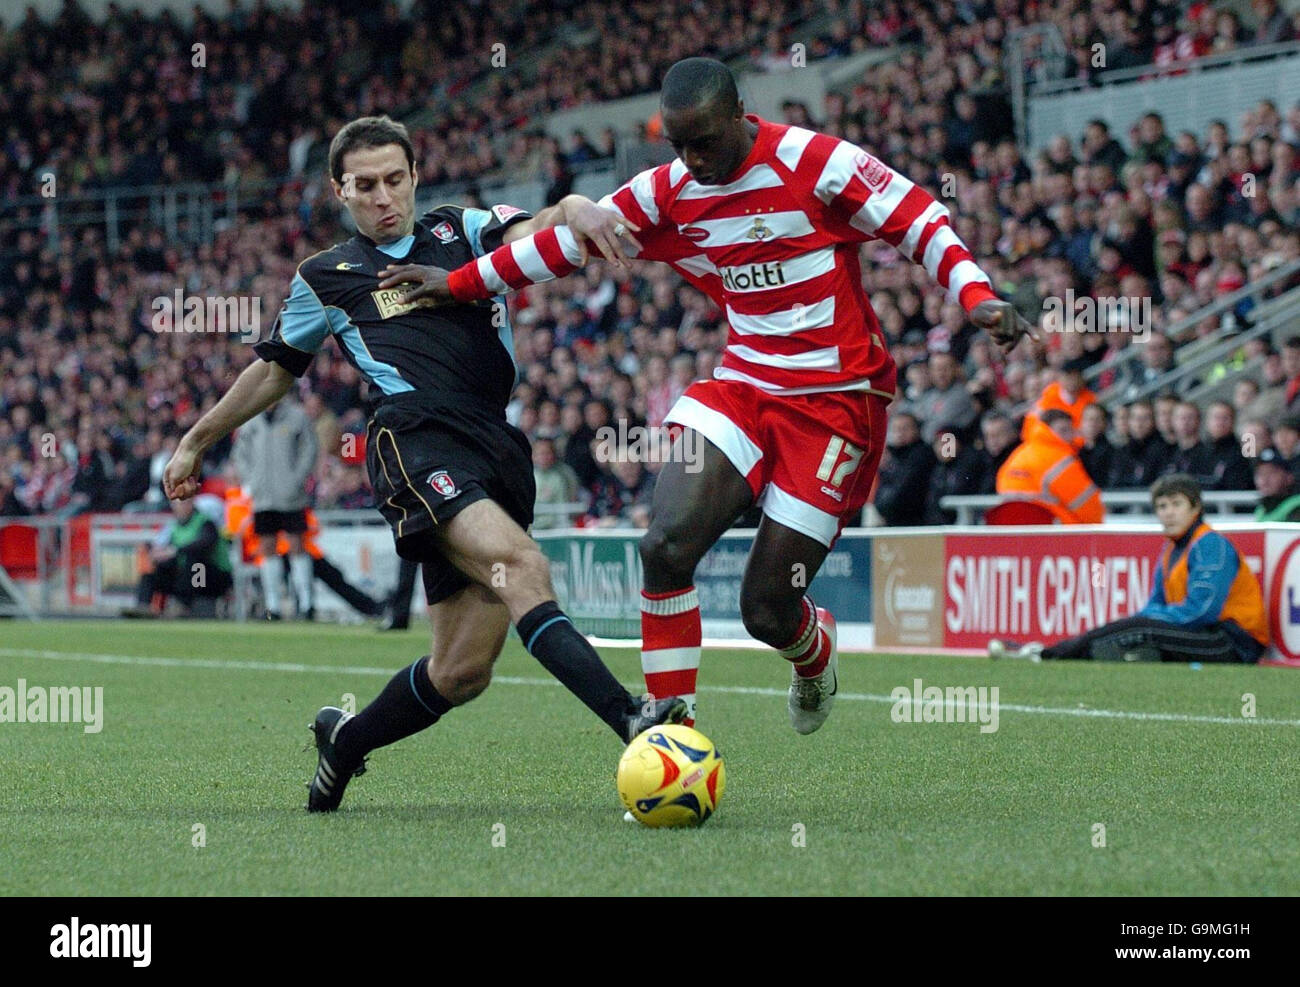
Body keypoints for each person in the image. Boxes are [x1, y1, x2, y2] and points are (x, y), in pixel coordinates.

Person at [386, 57, 1033, 734]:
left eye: (705, 142)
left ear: (738, 116)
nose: (692, 159)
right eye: (677, 145)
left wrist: (976, 294)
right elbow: (565, 243)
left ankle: (812, 650)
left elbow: (917, 217)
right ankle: (672, 734)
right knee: (664, 546)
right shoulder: (670, 188)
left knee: (767, 610)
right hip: (744, 388)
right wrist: (461, 283)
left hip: (837, 402)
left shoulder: (813, 160)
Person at [163, 115, 686, 813]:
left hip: (497, 447)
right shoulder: (326, 276)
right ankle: (633, 720)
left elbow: (537, 231)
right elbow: (273, 371)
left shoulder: (458, 230)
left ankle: (344, 743)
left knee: (462, 670)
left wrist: (578, 207)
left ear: (414, 177)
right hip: (412, 441)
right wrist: (196, 439)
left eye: (394, 180)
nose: (383, 197)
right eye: (366, 185)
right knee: (522, 565)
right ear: (339, 192)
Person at [990, 474, 1268, 662]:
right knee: (1133, 629)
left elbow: (1202, 610)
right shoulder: (1172, 549)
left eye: (1176, 504)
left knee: (1141, 631)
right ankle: (1052, 652)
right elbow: (1156, 604)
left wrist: (1148, 617)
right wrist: (1146, 616)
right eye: (1162, 506)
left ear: (1195, 508)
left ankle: (1049, 654)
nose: (1168, 513)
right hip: (1203, 634)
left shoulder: (1210, 545)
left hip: (1234, 641)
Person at [232, 400, 318, 620]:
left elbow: (309, 448)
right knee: (267, 547)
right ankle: (273, 606)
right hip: (263, 497)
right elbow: (240, 453)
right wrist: (251, 480)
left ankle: (307, 603)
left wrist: (297, 478)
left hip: (290, 495)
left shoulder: (296, 417)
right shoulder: (251, 421)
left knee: (297, 545)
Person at [126, 495, 233, 617]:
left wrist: (174, 551)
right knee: (154, 570)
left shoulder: (206, 522)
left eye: (183, 503)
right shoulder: (173, 525)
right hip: (185, 578)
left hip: (212, 578)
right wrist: (152, 549)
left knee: (194, 562)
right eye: (176, 504)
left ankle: (183, 606)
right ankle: (143, 606)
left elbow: (203, 544)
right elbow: (161, 545)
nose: (179, 507)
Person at [996, 409, 1104, 523]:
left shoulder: (1019, 454)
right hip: (1053, 531)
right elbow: (1089, 507)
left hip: (1012, 530)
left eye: (1070, 430)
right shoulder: (1060, 460)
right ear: (1046, 429)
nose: (1069, 436)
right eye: (1063, 430)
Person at [1253, 448, 1300, 521]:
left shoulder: (1297, 506)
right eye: (1260, 474)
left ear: (1289, 477)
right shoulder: (1261, 509)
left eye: (1271, 473)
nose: (1264, 480)